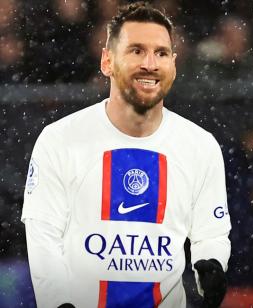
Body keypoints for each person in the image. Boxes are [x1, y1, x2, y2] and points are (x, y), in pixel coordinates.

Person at [22, 2, 231, 307]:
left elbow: (211, 232)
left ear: (173, 64)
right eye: (136, 51)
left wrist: (210, 264)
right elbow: (43, 237)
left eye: (161, 53)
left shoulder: (201, 145)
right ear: (107, 61)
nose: (150, 63)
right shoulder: (59, 140)